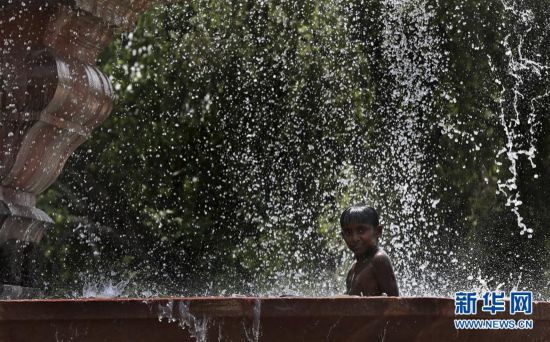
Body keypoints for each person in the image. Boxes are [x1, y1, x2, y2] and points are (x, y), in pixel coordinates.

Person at [341, 205, 399, 296]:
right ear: (343, 236)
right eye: (348, 233)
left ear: (378, 231)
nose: (354, 238)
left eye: (361, 231)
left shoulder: (379, 259)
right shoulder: (353, 268)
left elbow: (395, 302)